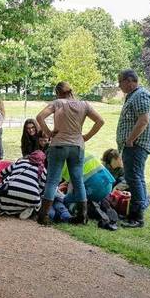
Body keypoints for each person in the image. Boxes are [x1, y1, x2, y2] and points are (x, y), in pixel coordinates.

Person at [35, 82, 105, 225]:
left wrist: (48, 133)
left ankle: (44, 216)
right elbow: (100, 121)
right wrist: (86, 136)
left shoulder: (57, 103)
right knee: (78, 181)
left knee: (52, 181)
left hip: (58, 145)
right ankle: (82, 216)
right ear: (71, 92)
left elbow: (39, 117)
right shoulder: (84, 105)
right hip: (77, 147)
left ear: (58, 93)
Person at [116, 69, 150, 228]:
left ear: (129, 80)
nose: (119, 85)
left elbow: (144, 120)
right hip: (133, 145)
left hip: (136, 145)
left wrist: (130, 139)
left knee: (133, 178)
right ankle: (137, 211)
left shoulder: (140, 95)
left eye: (120, 82)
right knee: (136, 177)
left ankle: (137, 218)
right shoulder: (134, 95)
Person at [0, 151, 47, 219]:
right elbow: (40, 190)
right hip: (31, 197)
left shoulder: (21, 162)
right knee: (37, 201)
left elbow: (1, 174)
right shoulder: (43, 170)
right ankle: (26, 209)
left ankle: (8, 210)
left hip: (8, 192)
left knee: (3, 201)